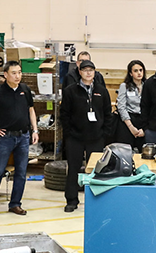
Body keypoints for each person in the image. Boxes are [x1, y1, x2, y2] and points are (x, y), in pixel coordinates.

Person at [0, 61, 39, 216]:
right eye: (14, 73)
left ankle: (15, 204)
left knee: (21, 173)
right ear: (5, 75)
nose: (18, 76)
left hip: (23, 137)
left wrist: (35, 130)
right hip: (6, 138)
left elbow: (31, 110)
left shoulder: (25, 90)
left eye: (19, 72)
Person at [60, 59, 113, 212]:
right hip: (75, 138)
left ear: (95, 72)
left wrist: (104, 134)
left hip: (96, 138)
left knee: (96, 170)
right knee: (73, 169)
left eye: (91, 70)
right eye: (85, 70)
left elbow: (107, 114)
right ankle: (71, 200)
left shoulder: (101, 91)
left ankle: (95, 200)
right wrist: (69, 134)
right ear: (80, 72)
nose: (88, 72)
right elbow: (64, 114)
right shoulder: (70, 90)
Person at [116, 60, 147, 150]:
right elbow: (121, 107)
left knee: (144, 151)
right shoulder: (124, 86)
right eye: (136, 71)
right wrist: (130, 126)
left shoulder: (148, 86)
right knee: (125, 151)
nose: (139, 73)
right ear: (130, 73)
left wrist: (145, 129)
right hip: (128, 120)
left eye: (141, 70)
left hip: (143, 120)